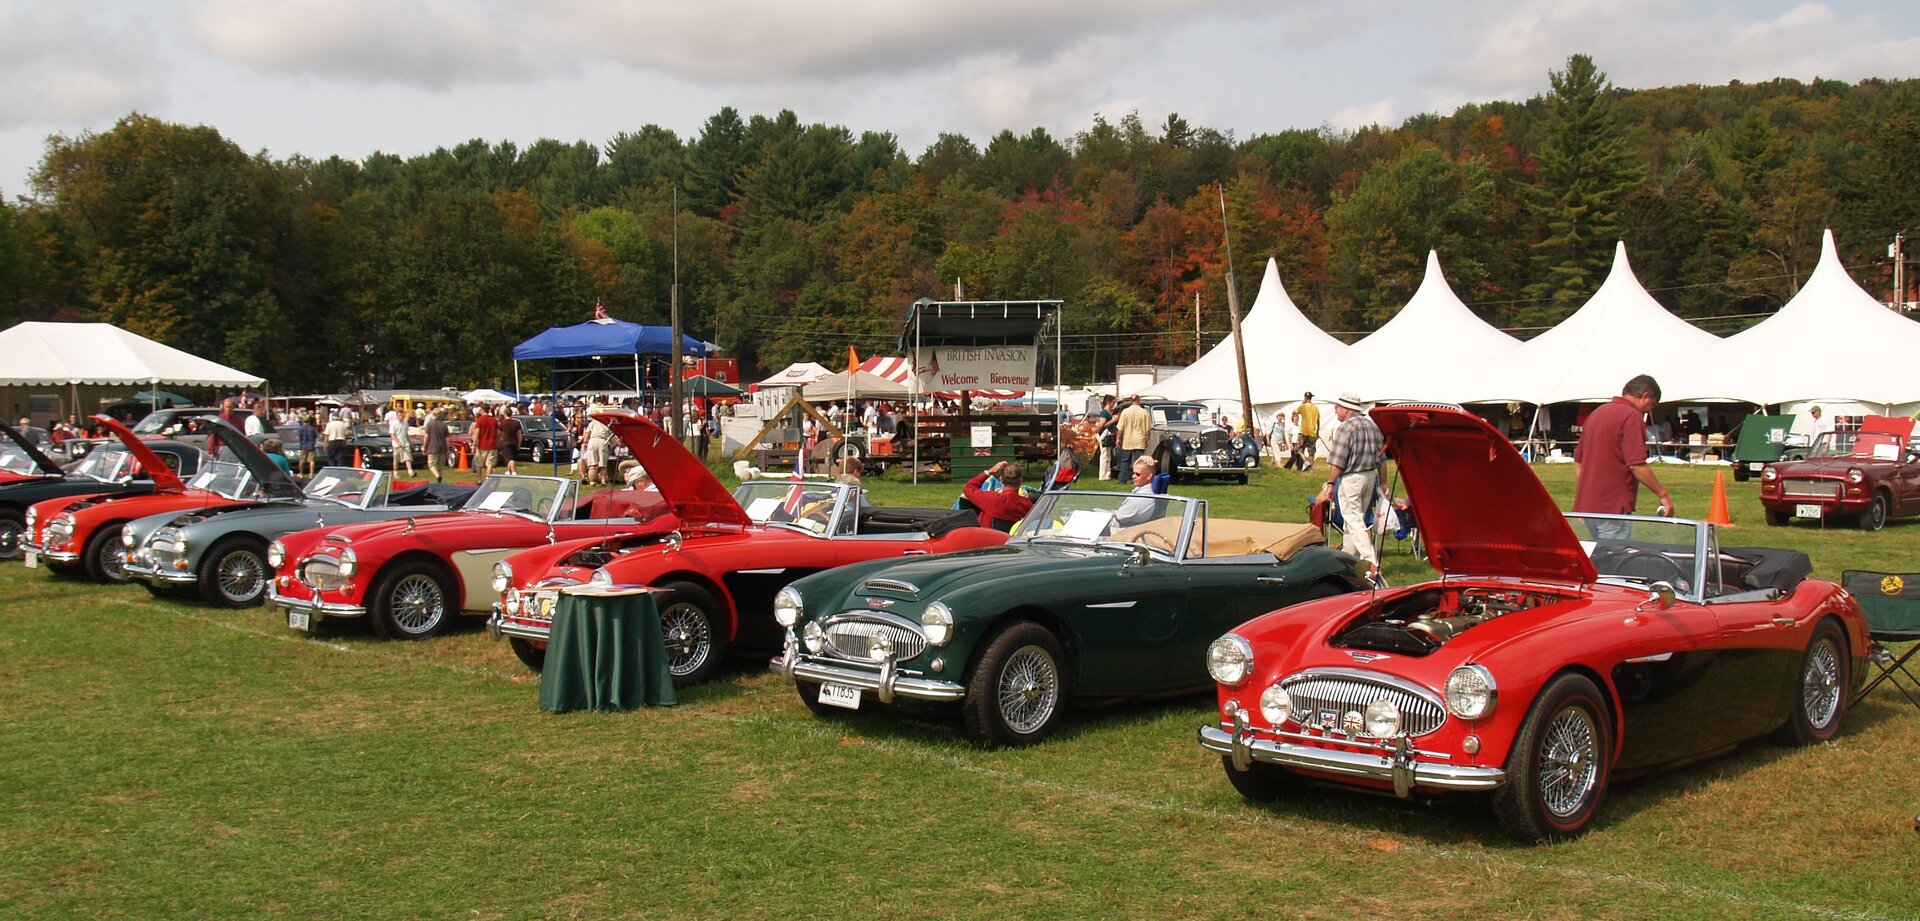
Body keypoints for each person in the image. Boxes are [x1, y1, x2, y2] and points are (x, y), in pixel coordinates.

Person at [1574, 374, 1674, 541]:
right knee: (1615, 560)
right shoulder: (1632, 417)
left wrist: (1586, 497)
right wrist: (1663, 495)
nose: (1650, 410)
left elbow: (1578, 462)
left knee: (1600, 559)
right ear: (1645, 396)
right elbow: (1636, 465)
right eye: (1652, 404)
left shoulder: (1596, 414)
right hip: (1613, 507)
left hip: (1589, 507)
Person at [1318, 393, 1385, 585]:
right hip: (1370, 476)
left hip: (1352, 477)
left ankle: (1371, 563)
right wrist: (1383, 481)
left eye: (1338, 407)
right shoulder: (1372, 425)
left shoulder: (1346, 427)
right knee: (1354, 522)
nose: (1336, 410)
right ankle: (1348, 560)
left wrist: (1330, 483)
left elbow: (1338, 459)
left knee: (1354, 520)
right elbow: (1381, 457)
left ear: (1347, 409)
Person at [962, 460, 1033, 530]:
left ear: (1001, 479)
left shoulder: (991, 499)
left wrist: (989, 472)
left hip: (988, 538)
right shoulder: (1027, 505)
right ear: (1021, 480)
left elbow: (968, 489)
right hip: (1013, 540)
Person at [1114, 456, 1165, 527]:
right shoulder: (1153, 491)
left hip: (1123, 530)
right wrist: (1140, 458)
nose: (1133, 477)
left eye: (1137, 474)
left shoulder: (1138, 498)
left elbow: (1116, 518)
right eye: (1133, 473)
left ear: (1148, 476)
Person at [1114, 395, 1151, 479]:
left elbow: (1120, 427)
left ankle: (1123, 478)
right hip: (1140, 439)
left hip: (1127, 440)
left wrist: (1118, 438)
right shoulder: (1144, 412)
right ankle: (1140, 477)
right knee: (1139, 461)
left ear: (1131, 401)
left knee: (1125, 461)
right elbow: (1147, 429)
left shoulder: (1125, 412)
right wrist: (1148, 439)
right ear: (1139, 400)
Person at [1292, 392, 1321, 472]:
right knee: (1311, 451)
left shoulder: (1303, 406)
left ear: (1305, 397)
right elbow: (1318, 420)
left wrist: (1302, 404)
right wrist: (1317, 431)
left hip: (1304, 431)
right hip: (1313, 432)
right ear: (1311, 398)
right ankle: (1311, 468)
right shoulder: (1315, 407)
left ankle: (1306, 462)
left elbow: (1294, 412)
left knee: (1298, 448)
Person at [1089, 395, 1117, 479]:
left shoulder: (1108, 412)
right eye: (1113, 402)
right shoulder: (1104, 412)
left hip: (1109, 435)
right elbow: (1102, 424)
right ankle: (1102, 475)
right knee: (1104, 455)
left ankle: (1107, 474)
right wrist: (1112, 421)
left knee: (1108, 455)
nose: (1114, 404)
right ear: (1109, 402)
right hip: (1104, 435)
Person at [584, 413, 613, 486]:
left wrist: (585, 443)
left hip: (592, 441)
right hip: (603, 441)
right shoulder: (607, 424)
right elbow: (612, 437)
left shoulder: (593, 422)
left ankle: (592, 482)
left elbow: (586, 435)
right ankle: (603, 480)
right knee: (603, 464)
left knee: (592, 464)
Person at [385, 406, 415, 477]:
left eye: (402, 415)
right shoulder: (393, 424)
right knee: (396, 459)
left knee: (407, 458)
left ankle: (410, 472)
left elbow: (406, 434)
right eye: (399, 415)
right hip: (396, 445)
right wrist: (398, 443)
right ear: (397, 415)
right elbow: (392, 435)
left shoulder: (405, 423)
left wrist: (410, 442)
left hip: (405, 443)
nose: (401, 416)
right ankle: (395, 473)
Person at [471, 405, 500, 479]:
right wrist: (497, 442)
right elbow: (498, 433)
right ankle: (488, 478)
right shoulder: (494, 420)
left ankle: (479, 479)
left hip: (481, 445)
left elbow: (477, 432)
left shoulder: (480, 420)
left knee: (479, 464)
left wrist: (473, 445)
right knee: (490, 463)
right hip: (492, 445)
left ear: (482, 410)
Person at [423, 408, 450, 483]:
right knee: (440, 466)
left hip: (432, 447)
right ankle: (439, 480)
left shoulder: (430, 424)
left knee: (431, 464)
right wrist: (447, 450)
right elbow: (447, 439)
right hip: (442, 447)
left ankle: (437, 476)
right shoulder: (444, 425)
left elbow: (426, 437)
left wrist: (424, 447)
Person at [496, 407, 522, 475]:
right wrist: (519, 443)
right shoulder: (516, 422)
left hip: (505, 442)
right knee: (510, 457)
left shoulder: (502, 423)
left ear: (505, 414)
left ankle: (513, 471)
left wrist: (497, 441)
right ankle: (508, 470)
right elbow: (519, 434)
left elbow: (498, 433)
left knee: (510, 459)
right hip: (514, 442)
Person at [296, 412, 318, 477]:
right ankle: (311, 474)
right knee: (311, 460)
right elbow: (315, 436)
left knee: (301, 460)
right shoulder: (312, 428)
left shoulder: (300, 428)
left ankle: (301, 473)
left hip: (303, 445)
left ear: (303, 421)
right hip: (311, 445)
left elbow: (299, 437)